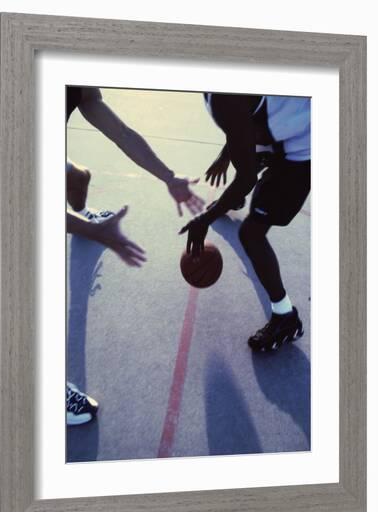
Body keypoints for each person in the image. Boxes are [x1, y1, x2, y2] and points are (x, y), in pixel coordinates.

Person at [66, 86, 204, 424]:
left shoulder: (77, 82)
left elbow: (123, 134)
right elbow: (20, 196)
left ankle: (81, 211)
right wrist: (89, 231)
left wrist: (169, 177)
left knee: (77, 177)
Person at [180, 93, 310, 352]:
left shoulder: (221, 97)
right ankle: (238, 195)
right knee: (254, 155)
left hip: (303, 151)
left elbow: (246, 176)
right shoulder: (224, 86)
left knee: (251, 234)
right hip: (286, 132)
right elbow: (245, 117)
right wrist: (226, 154)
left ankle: (286, 318)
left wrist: (206, 218)